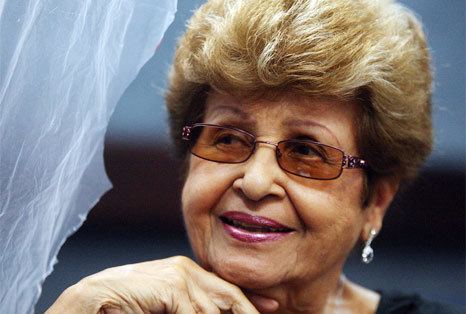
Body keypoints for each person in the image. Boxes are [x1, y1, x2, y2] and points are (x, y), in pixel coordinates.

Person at [47, 0, 459, 313]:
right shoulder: (116, 307)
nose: (256, 182)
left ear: (376, 202)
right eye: (227, 139)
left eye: (306, 151)